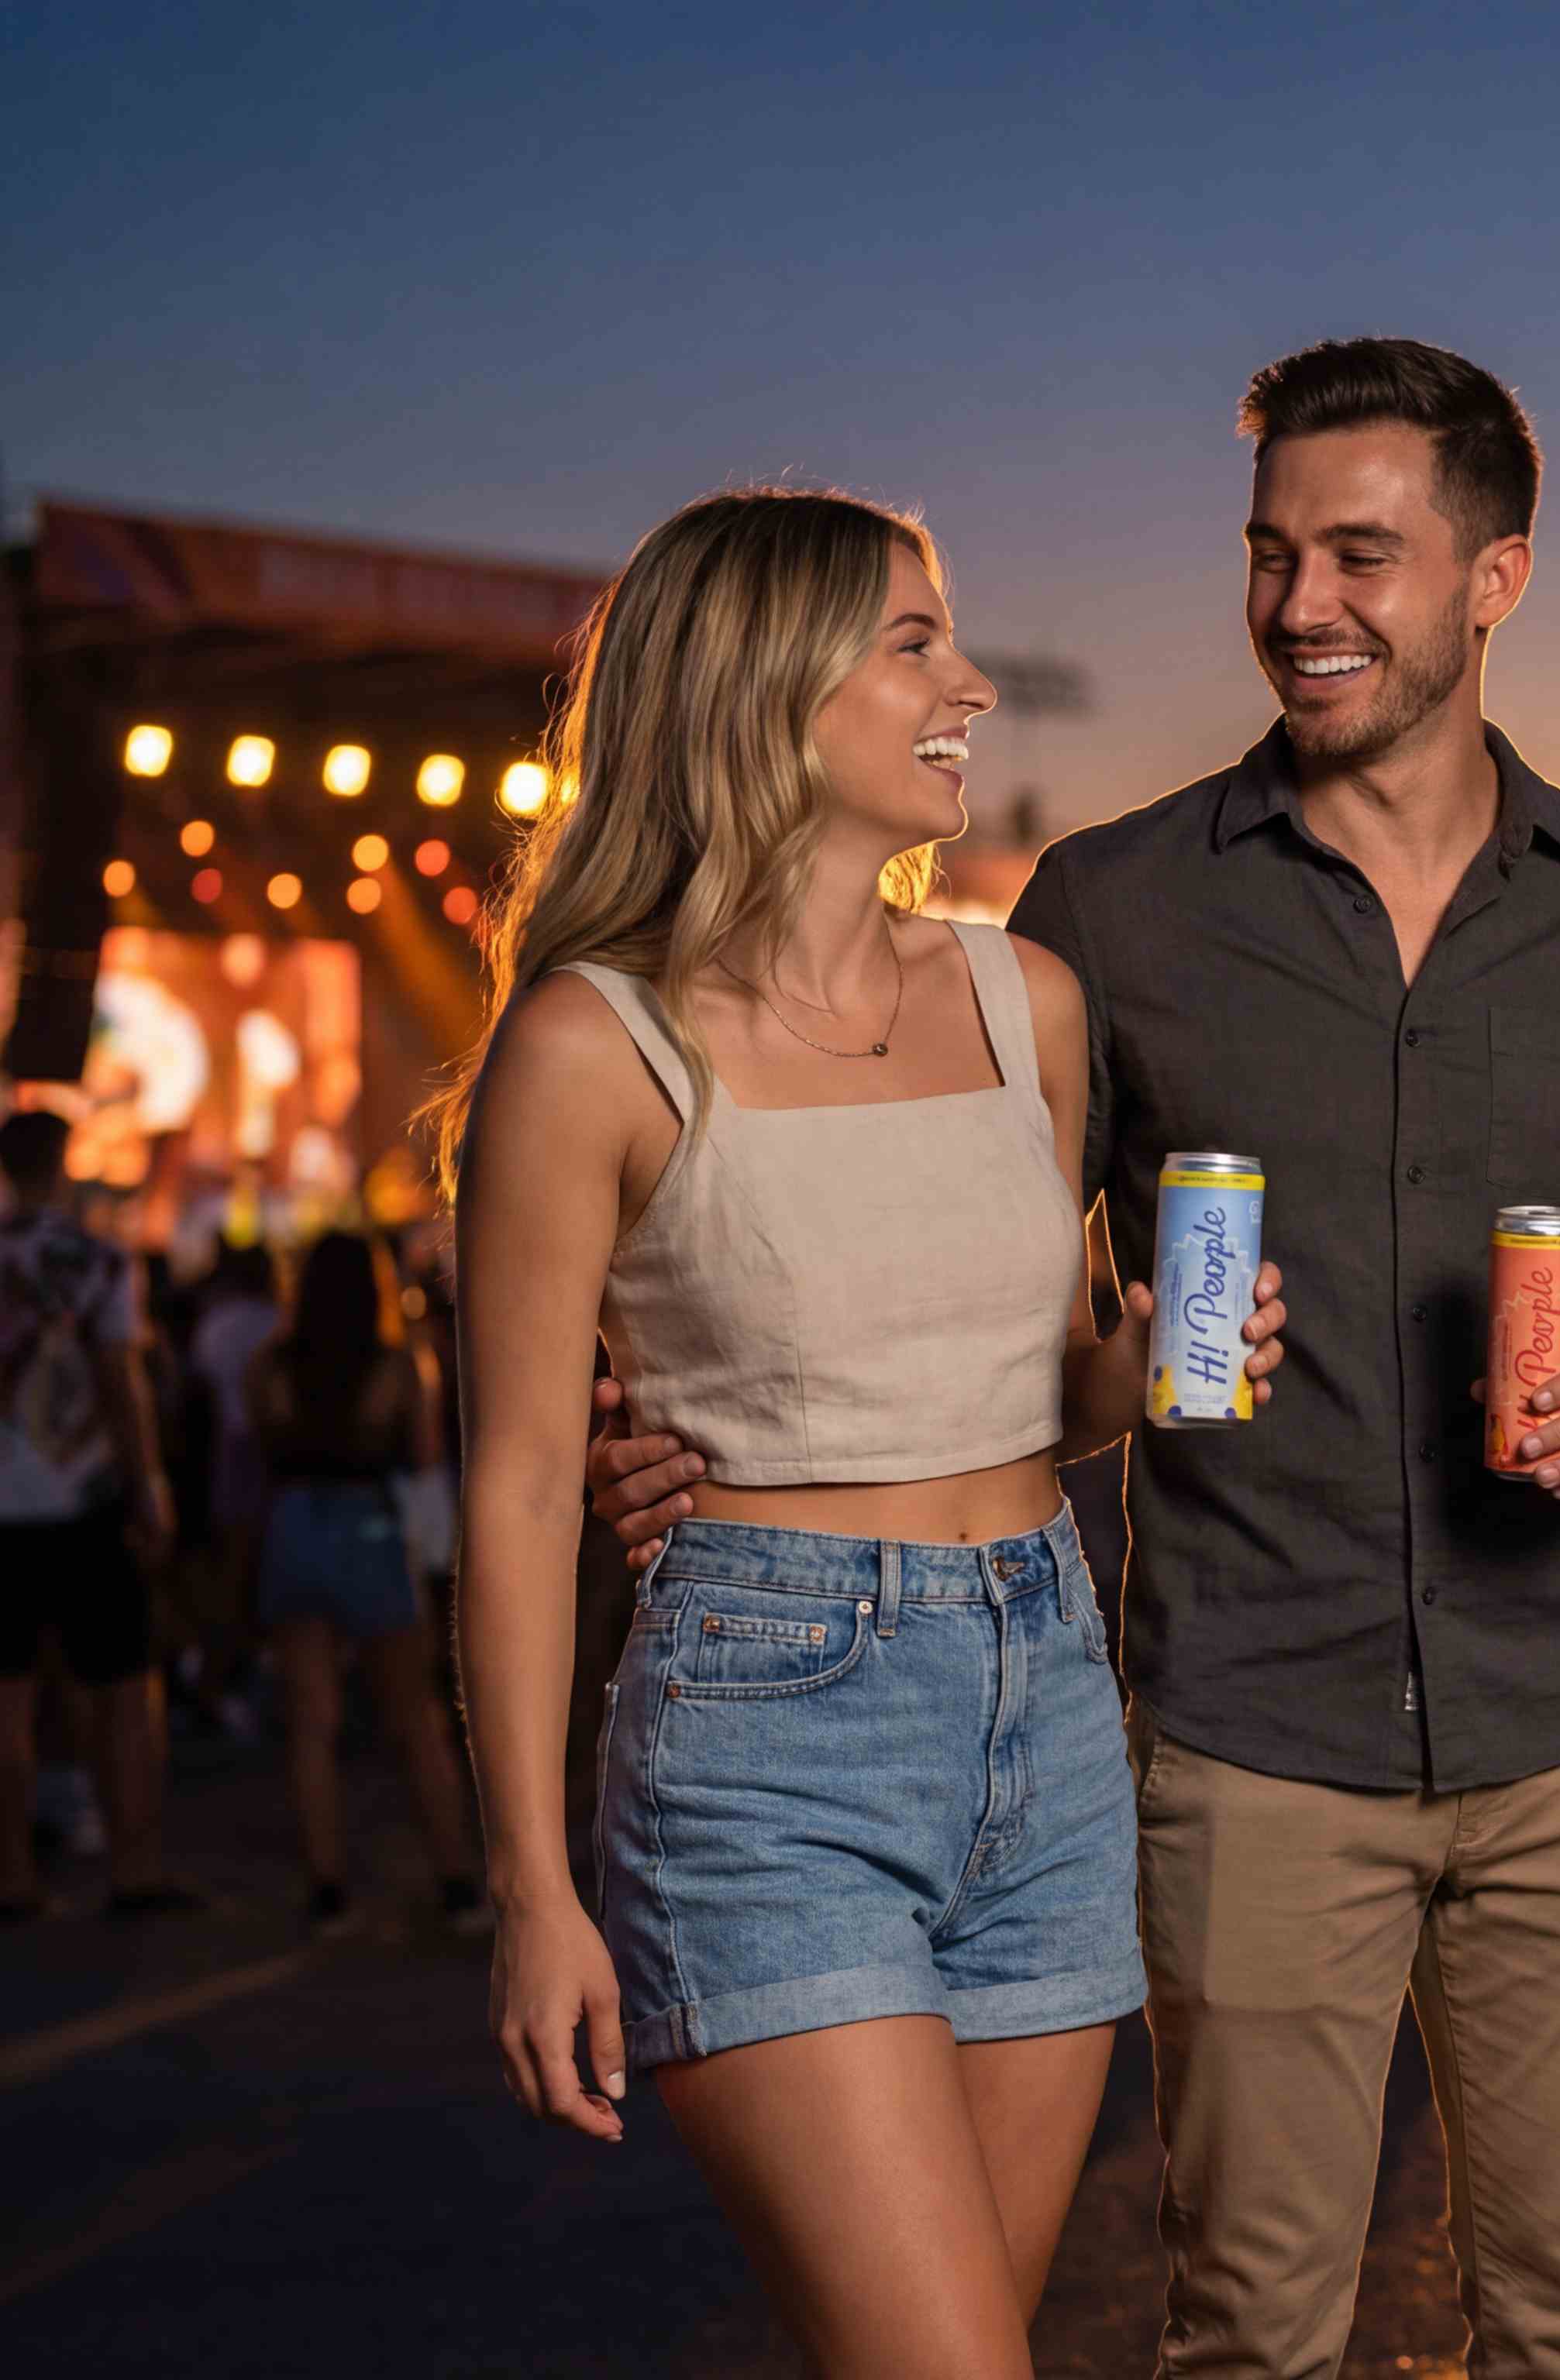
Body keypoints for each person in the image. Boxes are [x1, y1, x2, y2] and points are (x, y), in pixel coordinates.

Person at [593, 338, 1560, 2378]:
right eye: (1270, 552)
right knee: (1248, 2334)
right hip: (1244, 1740)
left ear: (1496, 575)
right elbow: (992, 1323)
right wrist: (715, 1429)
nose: (1301, 607)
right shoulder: (1104, 917)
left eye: (1364, 556)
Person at [453, 486, 1280, 2376]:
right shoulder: (593, 1042)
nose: (970, 684)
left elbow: (1024, 1391)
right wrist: (531, 1884)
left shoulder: (1026, 997)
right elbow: (509, 1488)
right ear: (761, 689)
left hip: (1048, 1696)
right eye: (915, 642)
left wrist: (1143, 1372)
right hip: (767, 1727)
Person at [249, 1230, 484, 1933]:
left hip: (293, 1524)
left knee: (311, 1721)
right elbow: (424, 1459)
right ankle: (456, 1881)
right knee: (415, 1714)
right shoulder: (399, 1364)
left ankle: (327, 1886)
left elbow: (262, 1444)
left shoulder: (272, 1365)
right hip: (370, 1528)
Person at [0, 1107, 188, 1921]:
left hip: (4, 1505)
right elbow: (121, 1379)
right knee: (123, 1686)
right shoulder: (103, 1261)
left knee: (6, 1697)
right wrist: (148, 1485)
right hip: (88, 1496)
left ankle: (11, 1876)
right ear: (64, 1161)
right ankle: (133, 1868)